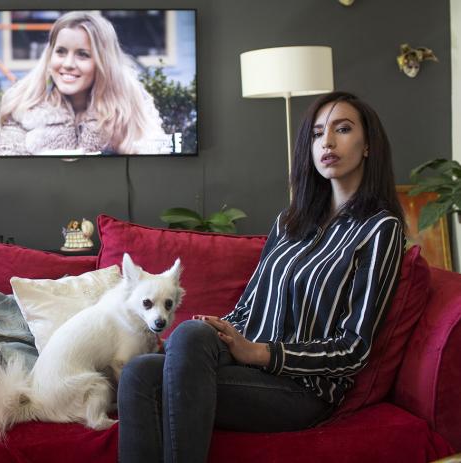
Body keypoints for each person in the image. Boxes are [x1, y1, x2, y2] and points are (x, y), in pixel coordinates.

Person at [117, 91, 406, 463]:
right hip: (245, 364)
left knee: (168, 357)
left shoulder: (380, 229)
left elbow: (354, 348)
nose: (328, 142)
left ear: (368, 145)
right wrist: (222, 333)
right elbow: (249, 306)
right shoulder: (289, 222)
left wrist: (259, 352)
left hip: (301, 387)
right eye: (317, 134)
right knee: (148, 366)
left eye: (343, 129)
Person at [0, 11, 167, 156]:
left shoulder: (129, 101)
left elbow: (155, 157)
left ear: (104, 62)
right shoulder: (22, 102)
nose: (68, 64)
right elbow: (8, 171)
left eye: (82, 54)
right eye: (61, 52)